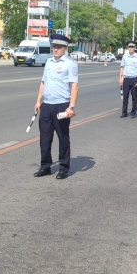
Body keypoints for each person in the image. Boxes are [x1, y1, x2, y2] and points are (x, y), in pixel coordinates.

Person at [33, 33, 79, 180]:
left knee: (63, 137)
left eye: (58, 47)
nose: (55, 49)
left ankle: (64, 167)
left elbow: (74, 86)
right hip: (47, 105)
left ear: (65, 48)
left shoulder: (70, 63)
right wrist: (38, 101)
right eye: (54, 46)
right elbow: (43, 82)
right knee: (45, 138)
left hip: (61, 105)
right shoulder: (49, 62)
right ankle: (45, 166)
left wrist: (71, 107)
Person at [119, 40, 137, 118]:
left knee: (134, 97)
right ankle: (124, 112)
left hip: (134, 79)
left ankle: (133, 113)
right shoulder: (125, 56)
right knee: (125, 97)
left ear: (135, 48)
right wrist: (120, 78)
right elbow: (122, 67)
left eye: (132, 47)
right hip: (126, 78)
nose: (130, 48)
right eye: (129, 47)